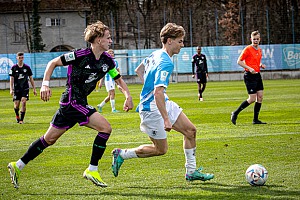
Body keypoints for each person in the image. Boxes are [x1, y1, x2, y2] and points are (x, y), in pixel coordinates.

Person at [7, 21, 133, 189]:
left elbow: (118, 79)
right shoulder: (79, 55)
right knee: (105, 128)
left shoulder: (107, 61)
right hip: (72, 102)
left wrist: (128, 95)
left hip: (76, 104)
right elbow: (52, 63)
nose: (111, 41)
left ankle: (18, 165)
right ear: (97, 40)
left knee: (48, 139)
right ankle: (92, 170)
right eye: (108, 38)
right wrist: (45, 84)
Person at [111, 23, 214, 182]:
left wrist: (148, 88)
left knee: (190, 131)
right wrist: (166, 118)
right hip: (151, 109)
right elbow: (158, 92)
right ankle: (123, 154)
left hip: (161, 102)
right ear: (169, 41)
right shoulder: (166, 62)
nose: (182, 45)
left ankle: (191, 172)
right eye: (180, 41)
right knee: (161, 150)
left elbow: (139, 70)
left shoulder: (155, 54)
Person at [231, 30, 266, 125]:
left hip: (257, 75)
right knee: (252, 99)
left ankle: (255, 120)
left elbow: (256, 62)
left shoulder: (259, 50)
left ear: (260, 39)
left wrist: (260, 65)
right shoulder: (247, 49)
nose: (256, 41)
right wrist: (249, 68)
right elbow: (239, 61)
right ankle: (235, 113)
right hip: (249, 76)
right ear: (251, 39)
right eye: (254, 39)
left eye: (257, 39)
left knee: (260, 97)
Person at [9, 52, 37, 124]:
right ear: (17, 58)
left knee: (24, 102)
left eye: (22, 58)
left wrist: (34, 88)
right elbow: (11, 79)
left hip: (25, 88)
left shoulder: (27, 68)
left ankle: (21, 120)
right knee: (16, 105)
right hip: (16, 89)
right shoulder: (13, 68)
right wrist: (11, 89)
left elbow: (31, 78)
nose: (21, 59)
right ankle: (17, 116)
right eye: (19, 58)